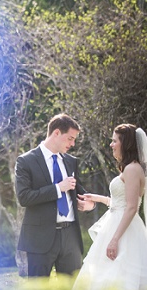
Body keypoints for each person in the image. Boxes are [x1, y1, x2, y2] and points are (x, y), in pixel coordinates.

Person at [71, 123, 147, 290]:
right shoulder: (128, 168)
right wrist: (98, 198)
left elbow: (132, 207)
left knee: (122, 274)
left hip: (124, 231)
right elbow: (120, 203)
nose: (111, 144)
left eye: (114, 140)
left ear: (124, 143)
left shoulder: (132, 169)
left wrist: (114, 239)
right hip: (117, 223)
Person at [15, 114, 96, 277]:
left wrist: (90, 205)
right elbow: (24, 197)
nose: (72, 144)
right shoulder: (26, 161)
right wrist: (58, 188)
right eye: (70, 139)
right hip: (40, 239)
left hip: (71, 238)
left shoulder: (71, 161)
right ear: (57, 133)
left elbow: (80, 191)